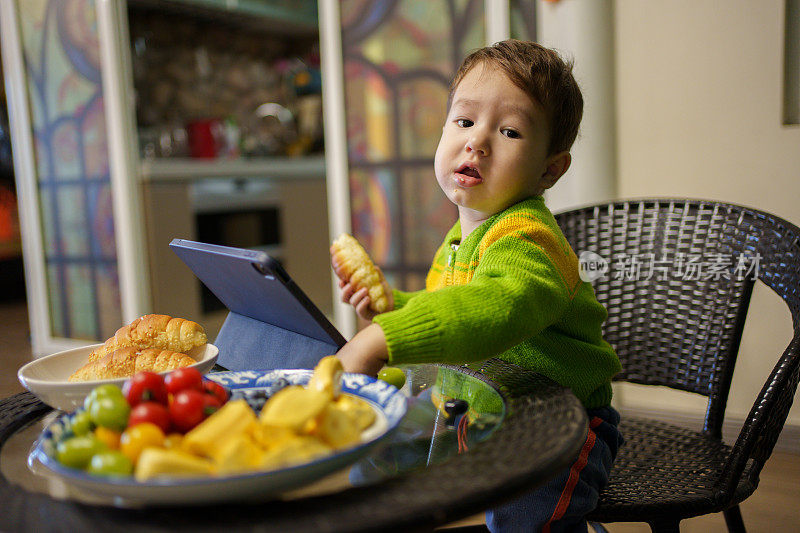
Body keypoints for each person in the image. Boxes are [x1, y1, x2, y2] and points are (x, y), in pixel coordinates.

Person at [332, 39, 622, 533]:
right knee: (379, 454)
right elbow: (453, 307)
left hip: (556, 426)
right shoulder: (461, 236)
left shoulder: (529, 240)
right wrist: (394, 307)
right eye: (464, 122)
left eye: (509, 131)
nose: (477, 142)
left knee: (524, 519)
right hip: (477, 414)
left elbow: (497, 306)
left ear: (550, 168)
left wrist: (385, 339)